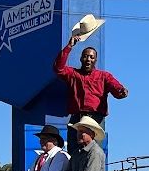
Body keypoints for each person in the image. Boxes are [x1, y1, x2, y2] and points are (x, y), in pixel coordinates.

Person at [54, 14, 127, 154]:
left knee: (93, 151)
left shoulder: (104, 76)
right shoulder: (73, 74)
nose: (88, 59)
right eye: (86, 56)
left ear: (95, 60)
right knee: (74, 151)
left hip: (95, 118)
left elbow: (117, 89)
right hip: (77, 117)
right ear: (81, 58)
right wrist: (69, 46)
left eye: (91, 57)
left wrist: (122, 91)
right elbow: (58, 68)